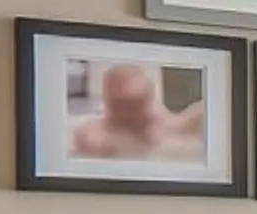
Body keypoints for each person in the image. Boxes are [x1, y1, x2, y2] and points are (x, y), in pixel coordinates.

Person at [71, 61, 205, 162]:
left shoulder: (172, 124)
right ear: (110, 103)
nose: (132, 112)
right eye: (123, 104)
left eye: (139, 102)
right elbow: (91, 139)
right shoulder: (95, 133)